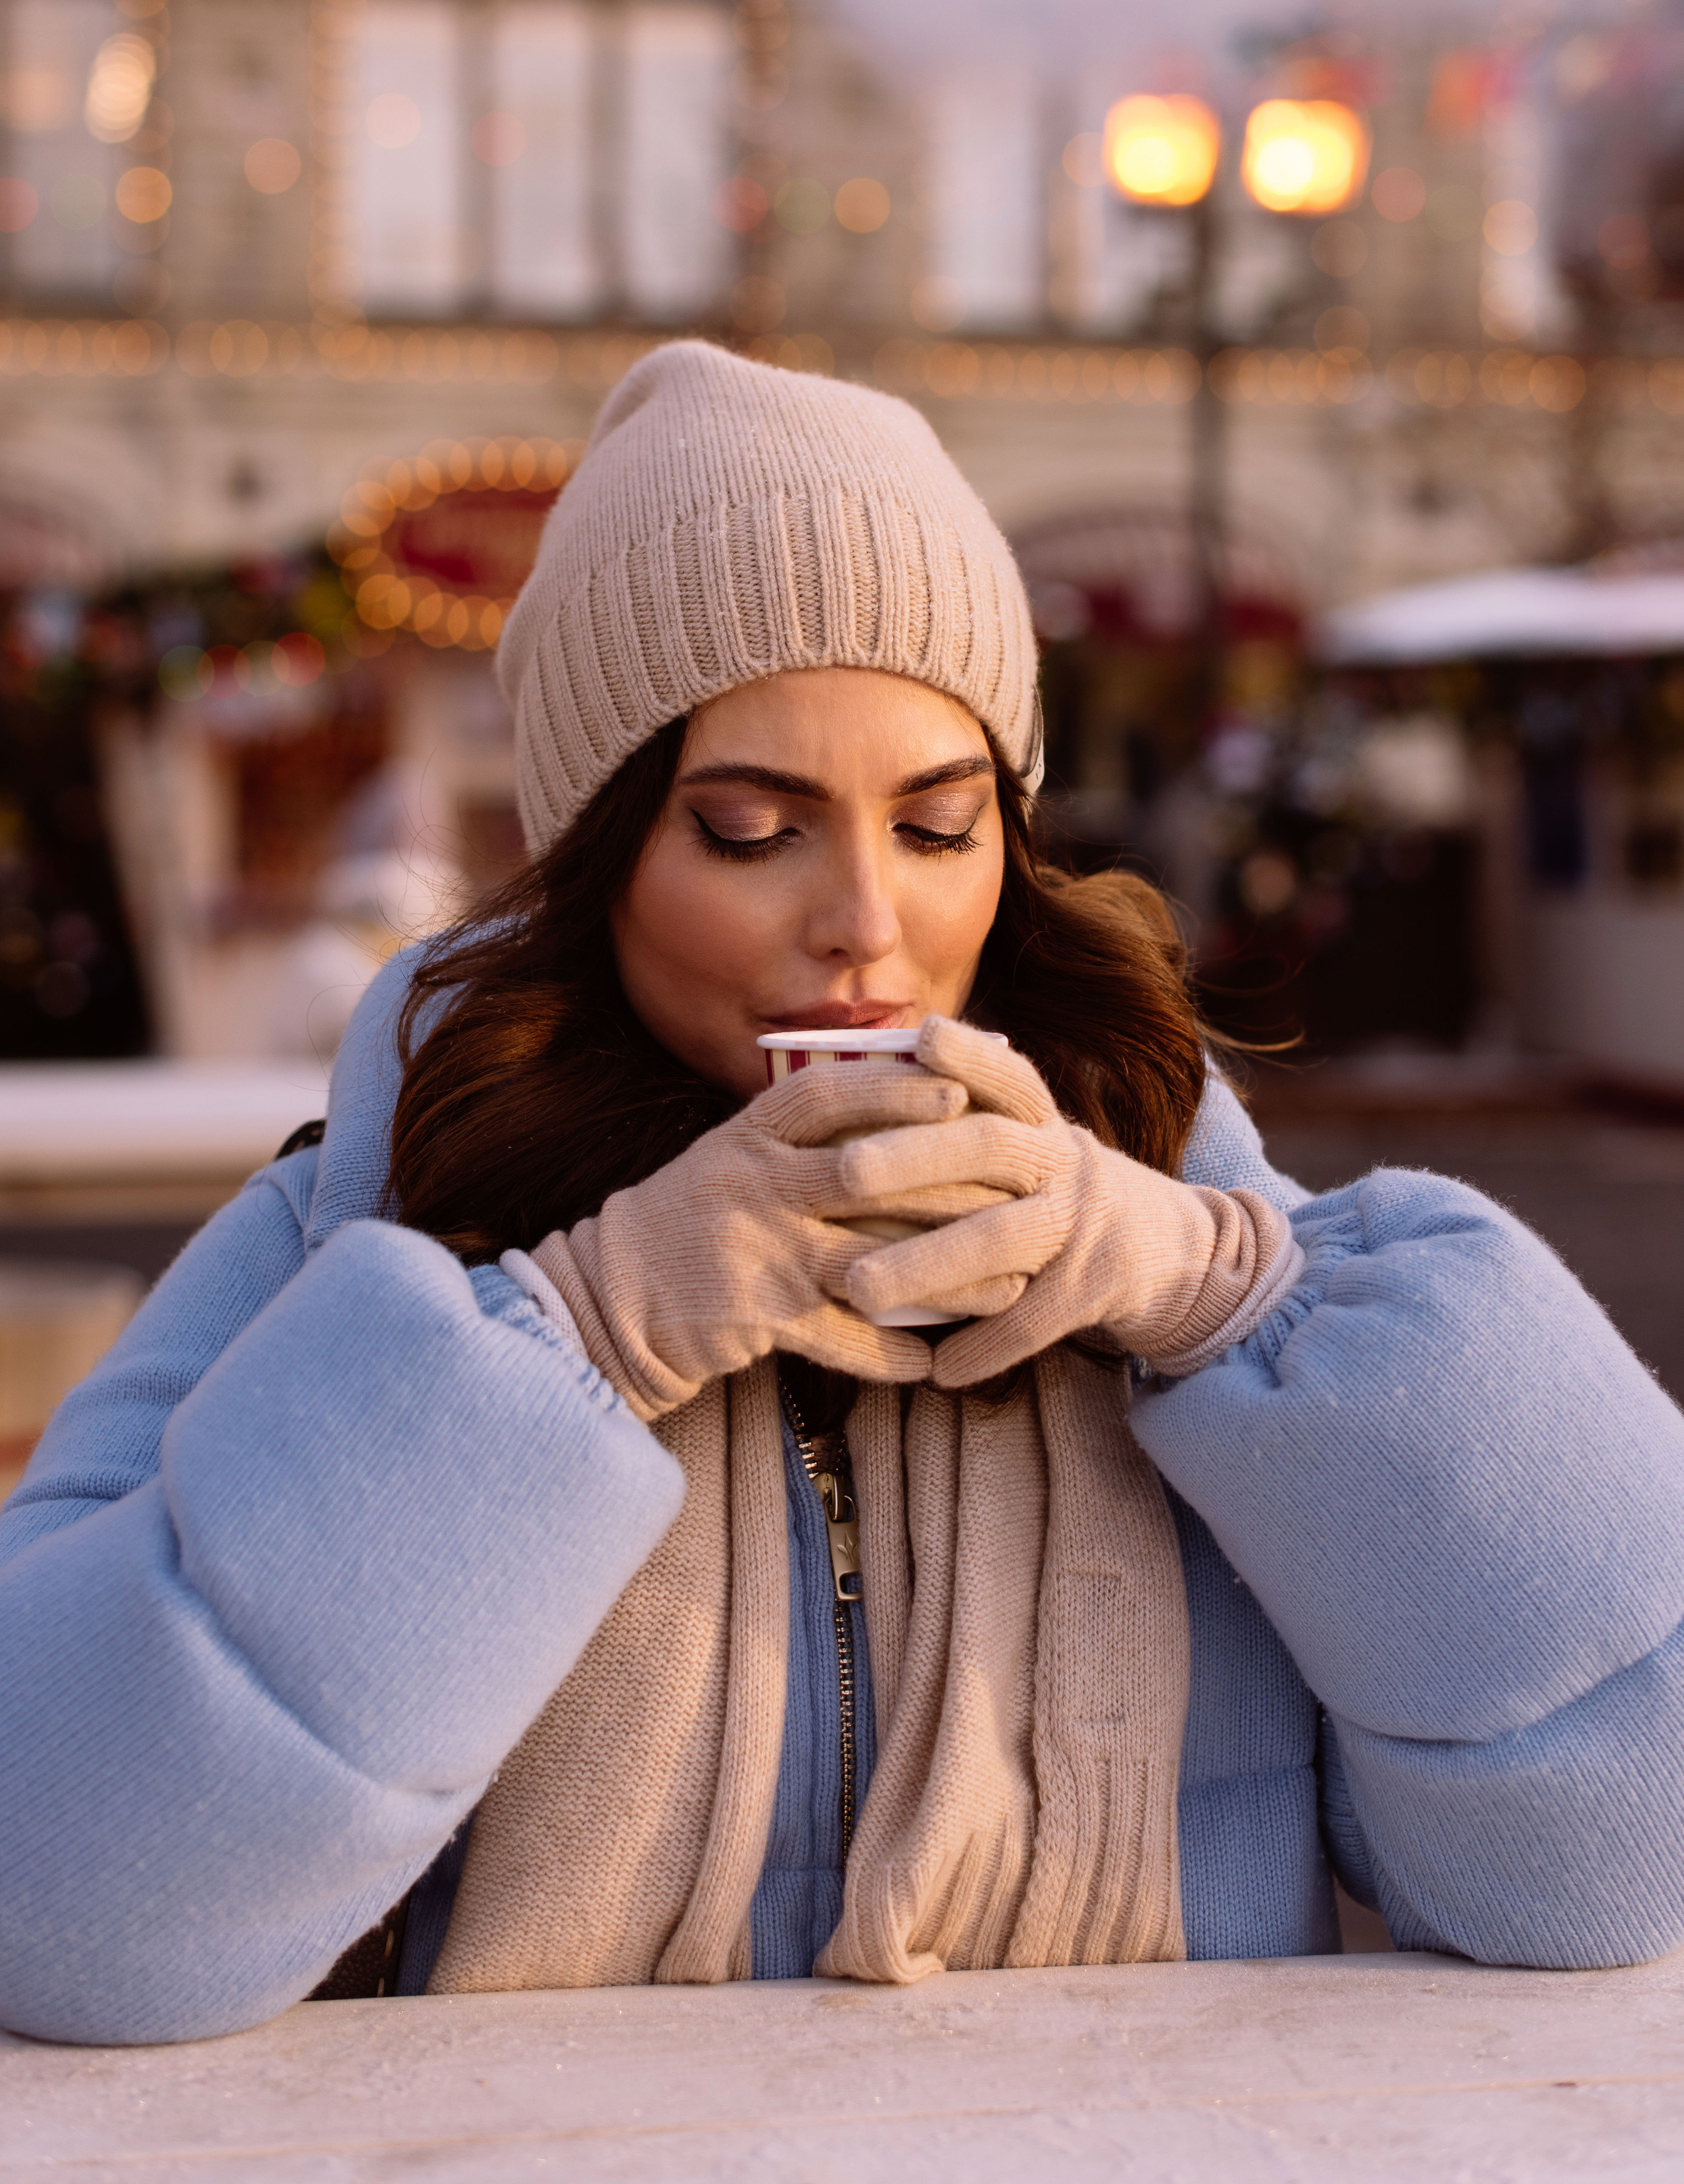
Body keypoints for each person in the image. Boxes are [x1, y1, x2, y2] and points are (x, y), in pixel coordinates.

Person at [3, 343, 1683, 2046]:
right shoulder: (355, 1236)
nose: (867, 921)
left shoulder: (1187, 1230)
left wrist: (1225, 1292)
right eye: (751, 827)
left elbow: (1617, 1856)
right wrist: (579, 1329)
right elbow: (59, 1896)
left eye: (941, 824)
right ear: (602, 855)